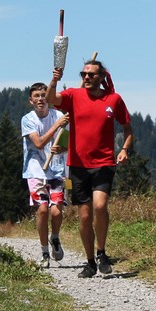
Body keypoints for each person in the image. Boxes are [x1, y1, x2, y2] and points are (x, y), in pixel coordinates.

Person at [47, 59, 133, 278]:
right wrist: (54, 80)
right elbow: (50, 100)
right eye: (84, 74)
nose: (87, 77)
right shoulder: (73, 95)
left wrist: (124, 149)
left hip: (104, 162)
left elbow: (127, 128)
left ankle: (102, 252)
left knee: (100, 205)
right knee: (84, 217)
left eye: (92, 74)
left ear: (101, 77)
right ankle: (90, 262)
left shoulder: (113, 99)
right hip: (77, 165)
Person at [21, 82, 70, 266]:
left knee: (56, 211)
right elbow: (39, 143)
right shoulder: (28, 120)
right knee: (42, 209)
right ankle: (44, 252)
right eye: (37, 96)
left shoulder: (59, 115)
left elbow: (68, 144)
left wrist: (61, 148)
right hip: (35, 171)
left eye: (43, 95)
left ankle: (55, 237)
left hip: (57, 169)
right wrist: (56, 125)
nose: (41, 99)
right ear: (31, 101)